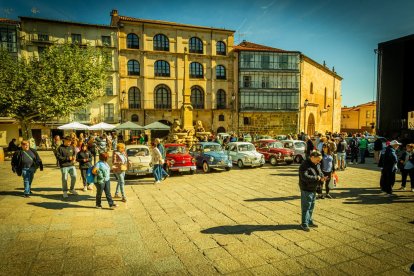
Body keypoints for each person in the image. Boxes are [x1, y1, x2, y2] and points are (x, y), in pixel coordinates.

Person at [299, 151, 326, 232]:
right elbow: (304, 176)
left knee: (311, 206)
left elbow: (319, 172)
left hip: (314, 187)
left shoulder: (316, 164)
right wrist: (316, 178)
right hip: (306, 188)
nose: (319, 162)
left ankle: (309, 221)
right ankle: (304, 223)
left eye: (320, 160)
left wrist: (322, 177)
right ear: (312, 157)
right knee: (306, 206)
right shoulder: (304, 165)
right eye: (318, 160)